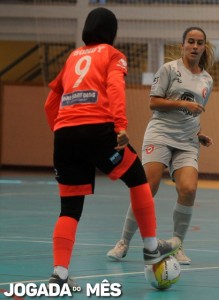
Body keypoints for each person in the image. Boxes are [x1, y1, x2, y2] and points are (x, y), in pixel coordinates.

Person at [44, 7, 181, 288]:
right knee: (137, 179)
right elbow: (115, 88)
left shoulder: (72, 58)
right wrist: (120, 125)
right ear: (112, 32)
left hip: (65, 135)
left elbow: (50, 102)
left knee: (69, 208)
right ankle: (151, 247)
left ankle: (59, 274)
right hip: (98, 130)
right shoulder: (112, 55)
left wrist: (60, 132)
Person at [107, 26, 215, 265]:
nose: (195, 46)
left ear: (204, 47)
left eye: (199, 43)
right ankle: (124, 241)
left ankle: (177, 245)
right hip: (160, 135)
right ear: (182, 45)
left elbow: (194, 114)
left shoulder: (207, 79)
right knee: (148, 188)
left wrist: (199, 134)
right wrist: (182, 105)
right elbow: (154, 103)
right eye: (191, 42)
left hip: (187, 141)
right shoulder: (168, 69)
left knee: (188, 189)